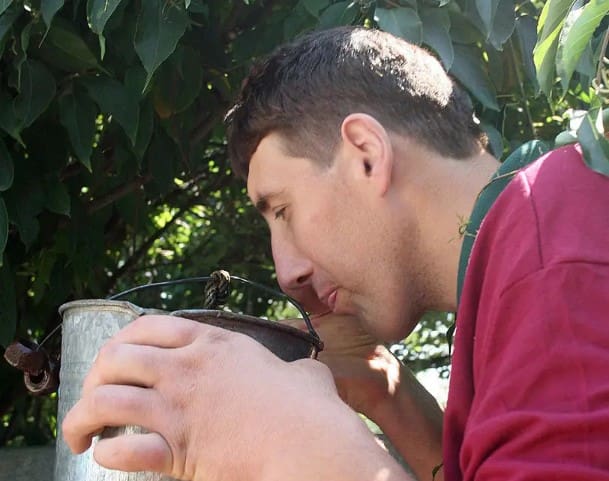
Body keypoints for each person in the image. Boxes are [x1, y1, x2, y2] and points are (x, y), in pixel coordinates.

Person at [62, 26, 609, 481]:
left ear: (366, 156)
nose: (286, 272)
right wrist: (386, 393)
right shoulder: (529, 254)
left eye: (282, 209)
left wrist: (285, 437)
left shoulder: (554, 254)